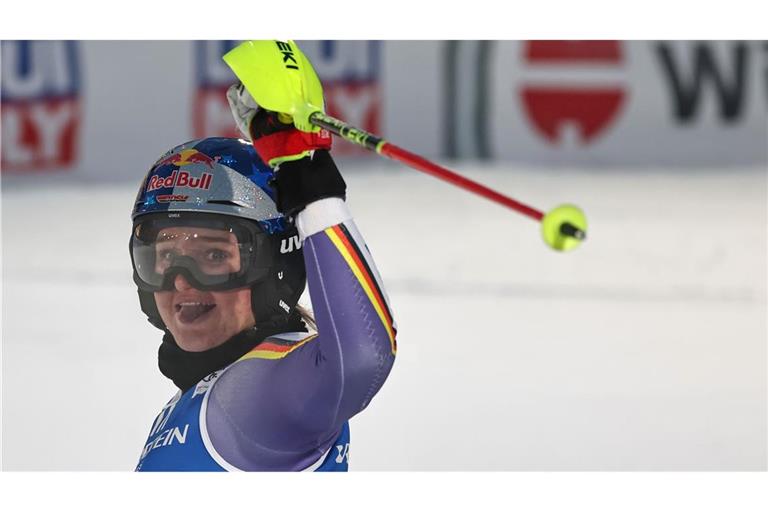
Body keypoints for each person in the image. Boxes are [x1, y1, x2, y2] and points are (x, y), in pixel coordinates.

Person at [129, 82, 397, 471]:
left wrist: (309, 181)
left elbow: (358, 359)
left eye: (215, 255)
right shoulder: (198, 403)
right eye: (165, 257)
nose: (182, 281)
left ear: (277, 266)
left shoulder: (257, 394)